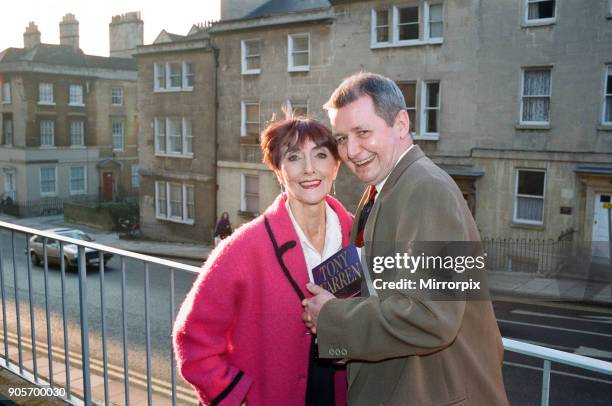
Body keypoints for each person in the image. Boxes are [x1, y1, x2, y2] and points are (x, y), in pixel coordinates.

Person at [302, 72, 509, 405]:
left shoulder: (427, 189)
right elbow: (383, 294)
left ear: (400, 124)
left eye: (363, 132)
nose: (351, 151)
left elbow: (430, 316)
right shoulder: (383, 189)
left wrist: (332, 319)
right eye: (341, 139)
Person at [173, 116, 352, 406]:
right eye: (294, 157)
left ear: (335, 165)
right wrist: (236, 396)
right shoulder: (243, 248)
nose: (309, 169)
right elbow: (193, 337)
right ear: (279, 171)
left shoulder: (357, 238)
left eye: (320, 154)